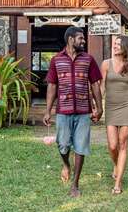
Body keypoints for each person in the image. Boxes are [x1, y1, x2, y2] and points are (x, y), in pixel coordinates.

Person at [43, 26, 103, 198]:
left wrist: (99, 107)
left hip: (84, 112)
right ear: (70, 39)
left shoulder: (88, 59)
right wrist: (48, 111)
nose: (83, 41)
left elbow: (95, 85)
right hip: (63, 111)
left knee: (80, 147)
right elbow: (52, 86)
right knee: (62, 144)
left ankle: (75, 184)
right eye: (80, 38)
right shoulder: (56, 60)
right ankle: (66, 165)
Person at [101, 35, 128, 195]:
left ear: (125, 47)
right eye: (115, 43)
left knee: (123, 143)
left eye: (119, 44)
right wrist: (97, 105)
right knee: (113, 145)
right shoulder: (106, 64)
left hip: (127, 106)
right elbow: (101, 87)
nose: (115, 46)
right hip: (111, 107)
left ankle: (118, 183)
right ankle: (116, 164)